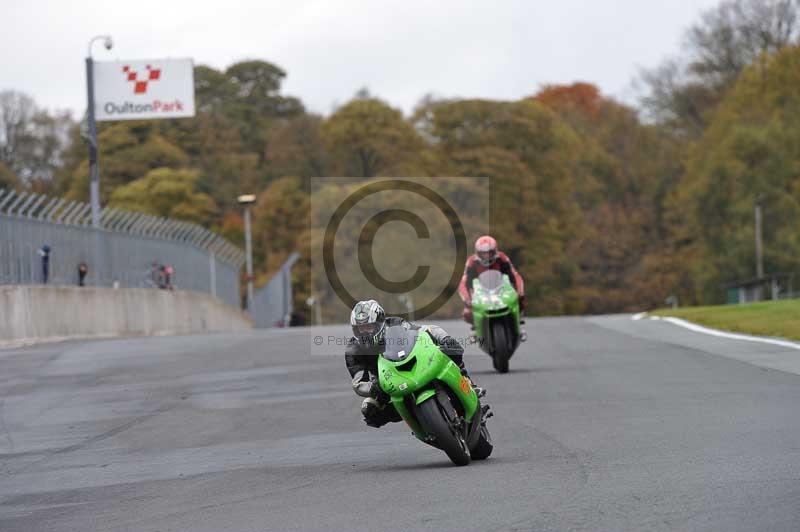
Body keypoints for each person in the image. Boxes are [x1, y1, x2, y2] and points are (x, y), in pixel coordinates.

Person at [345, 299, 483, 428]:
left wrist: (444, 340)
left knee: (449, 348)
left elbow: (424, 331)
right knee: (369, 411)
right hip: (386, 380)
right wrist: (372, 387)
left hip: (414, 360)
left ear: (380, 322)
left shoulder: (395, 323)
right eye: (361, 329)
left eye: (369, 327)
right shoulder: (353, 350)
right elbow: (358, 383)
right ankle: (421, 421)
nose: (365, 332)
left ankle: (467, 381)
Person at [458, 235, 525, 325]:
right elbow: (463, 282)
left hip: (501, 289)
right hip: (480, 293)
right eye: (483, 253)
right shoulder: (471, 261)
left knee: (519, 300)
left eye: (490, 252)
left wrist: (519, 291)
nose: (487, 256)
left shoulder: (502, 258)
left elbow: (514, 275)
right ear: (478, 252)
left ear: (495, 251)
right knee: (467, 314)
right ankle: (476, 330)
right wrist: (467, 299)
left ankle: (516, 322)